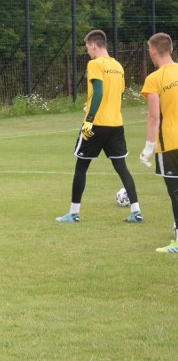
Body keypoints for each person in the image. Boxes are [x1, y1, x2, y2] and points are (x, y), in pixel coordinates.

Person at [56, 29, 143, 223]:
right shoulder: (118, 66)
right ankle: (136, 211)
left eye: (87, 48)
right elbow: (118, 94)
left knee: (81, 166)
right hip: (116, 123)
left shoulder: (94, 64)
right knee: (122, 167)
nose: (87, 51)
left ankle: (73, 213)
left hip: (96, 124)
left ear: (94, 45)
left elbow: (99, 91)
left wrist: (90, 118)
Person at [140, 32, 178, 253]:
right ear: (170, 49)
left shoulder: (154, 78)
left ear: (153, 51)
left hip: (170, 144)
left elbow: (154, 116)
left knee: (175, 193)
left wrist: (148, 146)